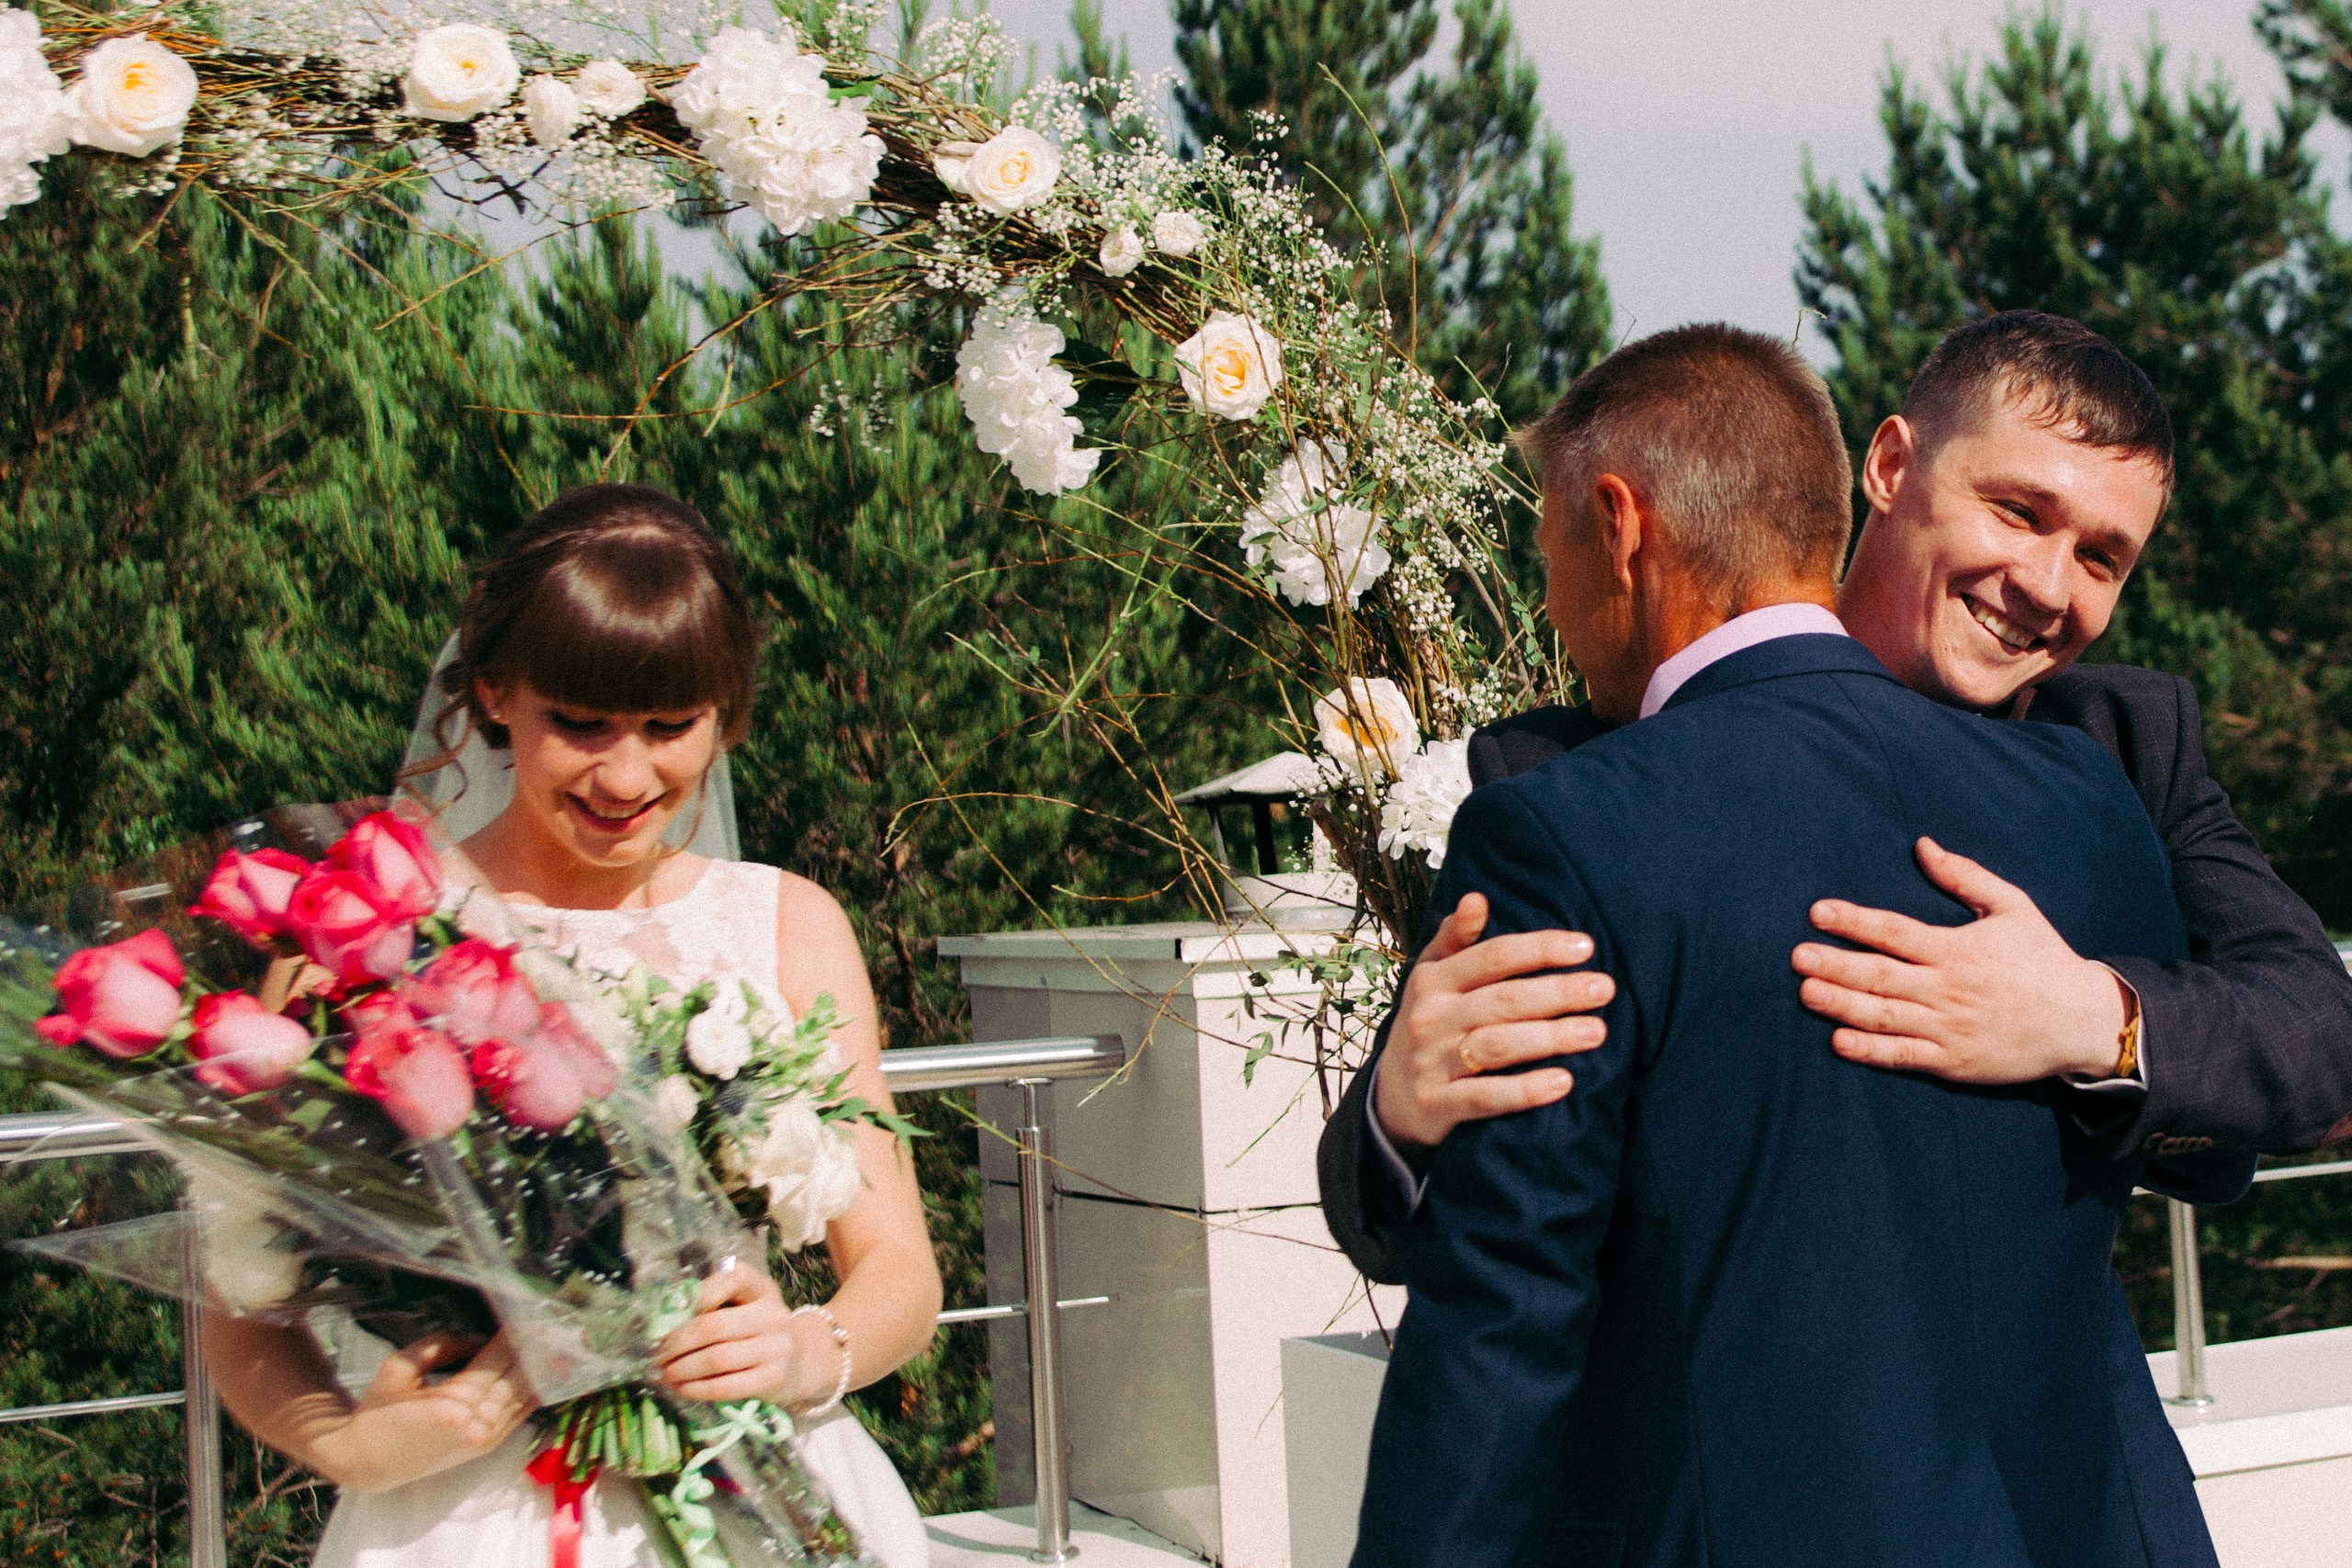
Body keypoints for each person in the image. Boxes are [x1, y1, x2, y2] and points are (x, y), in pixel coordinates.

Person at [1353, 323, 2210, 1567]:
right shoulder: (2085, 799)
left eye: (1550, 545)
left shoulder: (1568, 828)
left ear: (1621, 523)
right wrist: (1396, 1107)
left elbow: (1504, 1324)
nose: (1550, 596)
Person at [1320, 310, 2352, 1283]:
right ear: (1891, 466)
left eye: (2099, 557)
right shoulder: (1579, 771)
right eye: (2017, 511)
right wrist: (1401, 1115)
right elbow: (1412, 1223)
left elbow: (2323, 1041)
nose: (2046, 584)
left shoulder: (2123, 751)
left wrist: (2089, 1020)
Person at [201, 484, 942, 1568]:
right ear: (496, 694)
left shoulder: (788, 924)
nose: (627, 774)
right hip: (464, 1512)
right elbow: (239, 1300)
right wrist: (349, 1444)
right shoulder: (367, 928)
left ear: (726, 716)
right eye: (580, 725)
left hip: (761, 1486)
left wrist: (796, 1351)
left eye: (670, 726)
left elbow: (898, 1273)